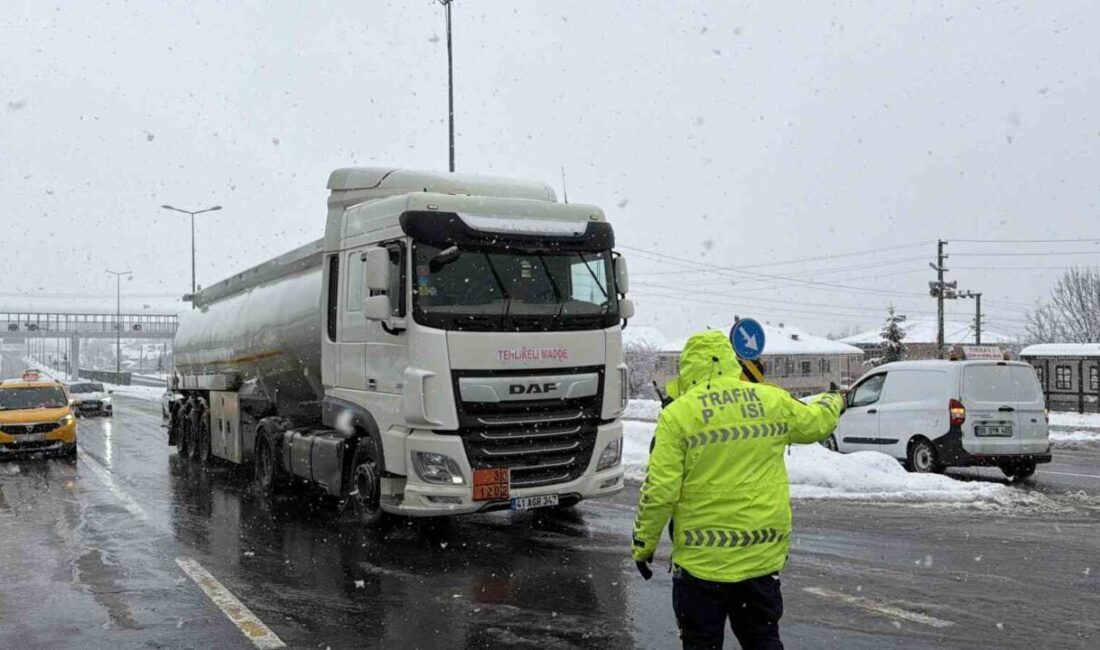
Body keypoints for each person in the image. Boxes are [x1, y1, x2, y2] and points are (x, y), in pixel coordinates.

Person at [631, 330, 844, 650]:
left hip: (702, 567)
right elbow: (816, 423)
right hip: (760, 559)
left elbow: (660, 491)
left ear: (688, 367)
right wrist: (833, 400)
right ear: (732, 361)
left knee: (701, 644)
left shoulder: (678, 415)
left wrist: (643, 546)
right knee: (763, 640)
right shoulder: (771, 400)